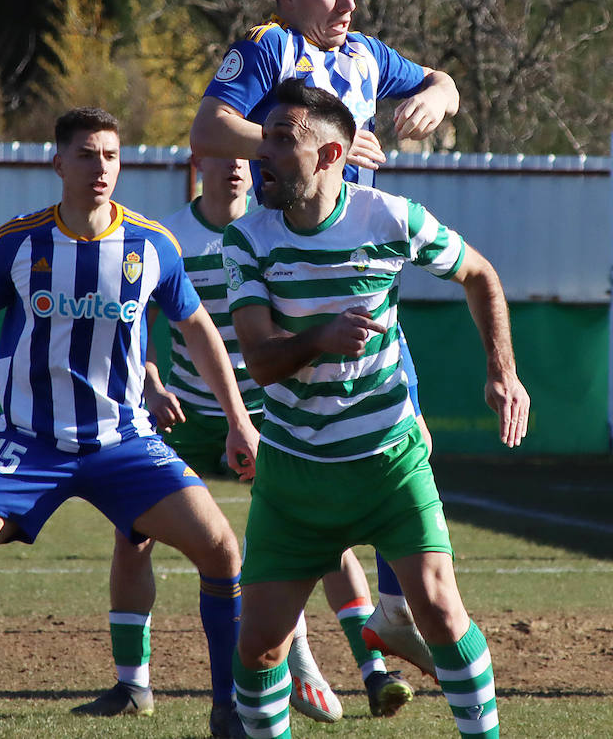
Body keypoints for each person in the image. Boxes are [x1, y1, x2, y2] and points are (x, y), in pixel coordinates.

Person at [0, 107, 259, 739]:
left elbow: (197, 328)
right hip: (28, 447)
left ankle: (227, 711)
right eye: (86, 155)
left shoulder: (152, 246)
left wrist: (238, 420)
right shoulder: (17, 243)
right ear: (57, 162)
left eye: (111, 156)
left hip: (126, 445)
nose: (100, 167)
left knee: (222, 548)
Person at [223, 80, 528, 738]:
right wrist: (322, 338)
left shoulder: (390, 217)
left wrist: (503, 371)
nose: (261, 154)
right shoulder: (246, 239)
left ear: (332, 156)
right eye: (262, 138)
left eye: (282, 140)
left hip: (389, 463)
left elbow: (479, 274)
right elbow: (263, 360)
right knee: (260, 649)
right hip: (295, 474)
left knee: (443, 615)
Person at [191, 0, 456, 677]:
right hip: (295, 279)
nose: (346, 2)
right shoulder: (273, 46)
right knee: (319, 457)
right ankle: (300, 642)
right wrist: (304, 148)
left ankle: (394, 620)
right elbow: (208, 126)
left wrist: (438, 96)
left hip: (362, 276)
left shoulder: (366, 56)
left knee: (405, 443)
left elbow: (443, 80)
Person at [71, 153, 413, 722]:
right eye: (220, 156)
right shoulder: (168, 236)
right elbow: (139, 324)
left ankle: (372, 672)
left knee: (324, 535)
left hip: (268, 411)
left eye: (245, 158)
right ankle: (134, 686)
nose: (234, 168)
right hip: (188, 414)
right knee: (133, 536)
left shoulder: (268, 231)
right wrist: (152, 383)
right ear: (197, 159)